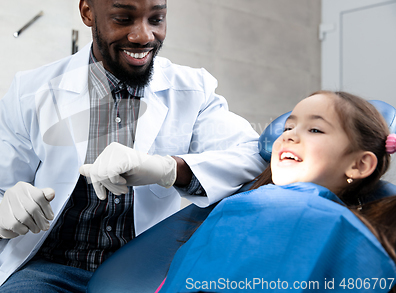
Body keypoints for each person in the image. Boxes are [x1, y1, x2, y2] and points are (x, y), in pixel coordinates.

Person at [0, 0, 266, 292]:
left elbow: (254, 157)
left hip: (141, 270)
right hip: (49, 270)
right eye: (123, 19)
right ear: (88, 12)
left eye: (156, 19)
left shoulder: (192, 90)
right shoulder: (32, 91)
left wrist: (169, 168)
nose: (143, 35)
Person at [158, 91, 396, 293]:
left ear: (359, 165)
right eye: (289, 127)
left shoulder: (341, 229)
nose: (289, 135)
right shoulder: (234, 205)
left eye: (314, 130)